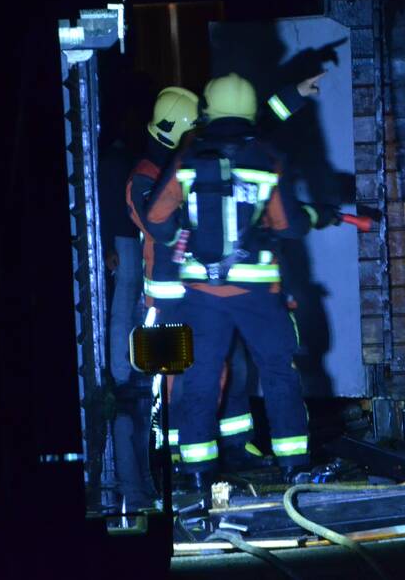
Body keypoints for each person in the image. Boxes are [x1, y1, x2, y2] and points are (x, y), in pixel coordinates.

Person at [143, 72, 341, 491]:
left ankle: (197, 474)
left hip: (201, 294)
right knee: (278, 374)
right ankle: (294, 466)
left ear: (207, 111)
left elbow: (157, 218)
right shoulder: (268, 157)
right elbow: (288, 227)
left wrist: (184, 229)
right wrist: (313, 214)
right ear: (251, 110)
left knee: (199, 376)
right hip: (258, 294)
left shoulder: (189, 157)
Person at [98, 121, 158, 512]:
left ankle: (124, 369)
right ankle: (123, 370)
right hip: (125, 235)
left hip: (120, 236)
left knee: (126, 304)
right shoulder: (122, 160)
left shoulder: (112, 158)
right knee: (126, 303)